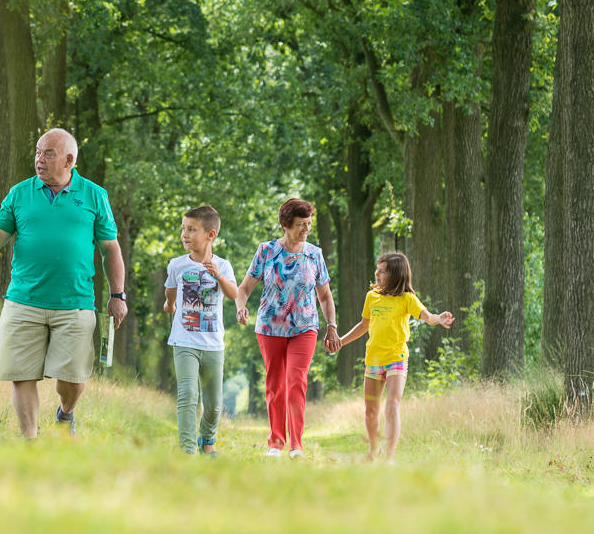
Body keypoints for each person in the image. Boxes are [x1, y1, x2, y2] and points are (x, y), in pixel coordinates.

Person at [0, 128, 127, 439]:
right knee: (22, 376)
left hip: (75, 303)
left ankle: (65, 413)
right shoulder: (19, 193)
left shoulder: (95, 195)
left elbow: (110, 248)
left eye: (48, 154)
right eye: (37, 152)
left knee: (71, 381)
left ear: (69, 160)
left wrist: (117, 294)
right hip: (23, 301)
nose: (39, 160)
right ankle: (31, 443)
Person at [235, 198, 338, 459]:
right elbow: (244, 288)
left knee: (296, 382)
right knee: (275, 384)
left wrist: (332, 326)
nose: (306, 229)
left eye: (309, 224)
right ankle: (275, 443)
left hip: (305, 327)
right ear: (285, 224)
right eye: (301, 224)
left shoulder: (314, 254)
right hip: (270, 327)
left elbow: (324, 296)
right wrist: (241, 306)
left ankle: (296, 446)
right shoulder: (266, 251)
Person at [335, 251, 453, 465]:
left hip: (397, 358)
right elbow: (363, 326)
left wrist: (439, 318)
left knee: (392, 406)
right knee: (371, 412)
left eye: (383, 271)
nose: (377, 274)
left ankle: (388, 458)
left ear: (396, 275)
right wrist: (341, 342)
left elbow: (427, 317)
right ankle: (374, 450)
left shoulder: (407, 299)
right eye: (377, 270)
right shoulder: (372, 297)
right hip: (373, 359)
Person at [162, 204, 238, 457]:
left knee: (214, 404)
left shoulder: (223, 265)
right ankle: (186, 449)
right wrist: (170, 304)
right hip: (184, 341)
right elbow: (171, 288)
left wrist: (219, 277)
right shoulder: (177, 264)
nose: (184, 234)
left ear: (210, 235)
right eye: (183, 229)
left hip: (213, 344)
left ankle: (206, 440)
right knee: (188, 395)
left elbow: (233, 294)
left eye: (191, 229)